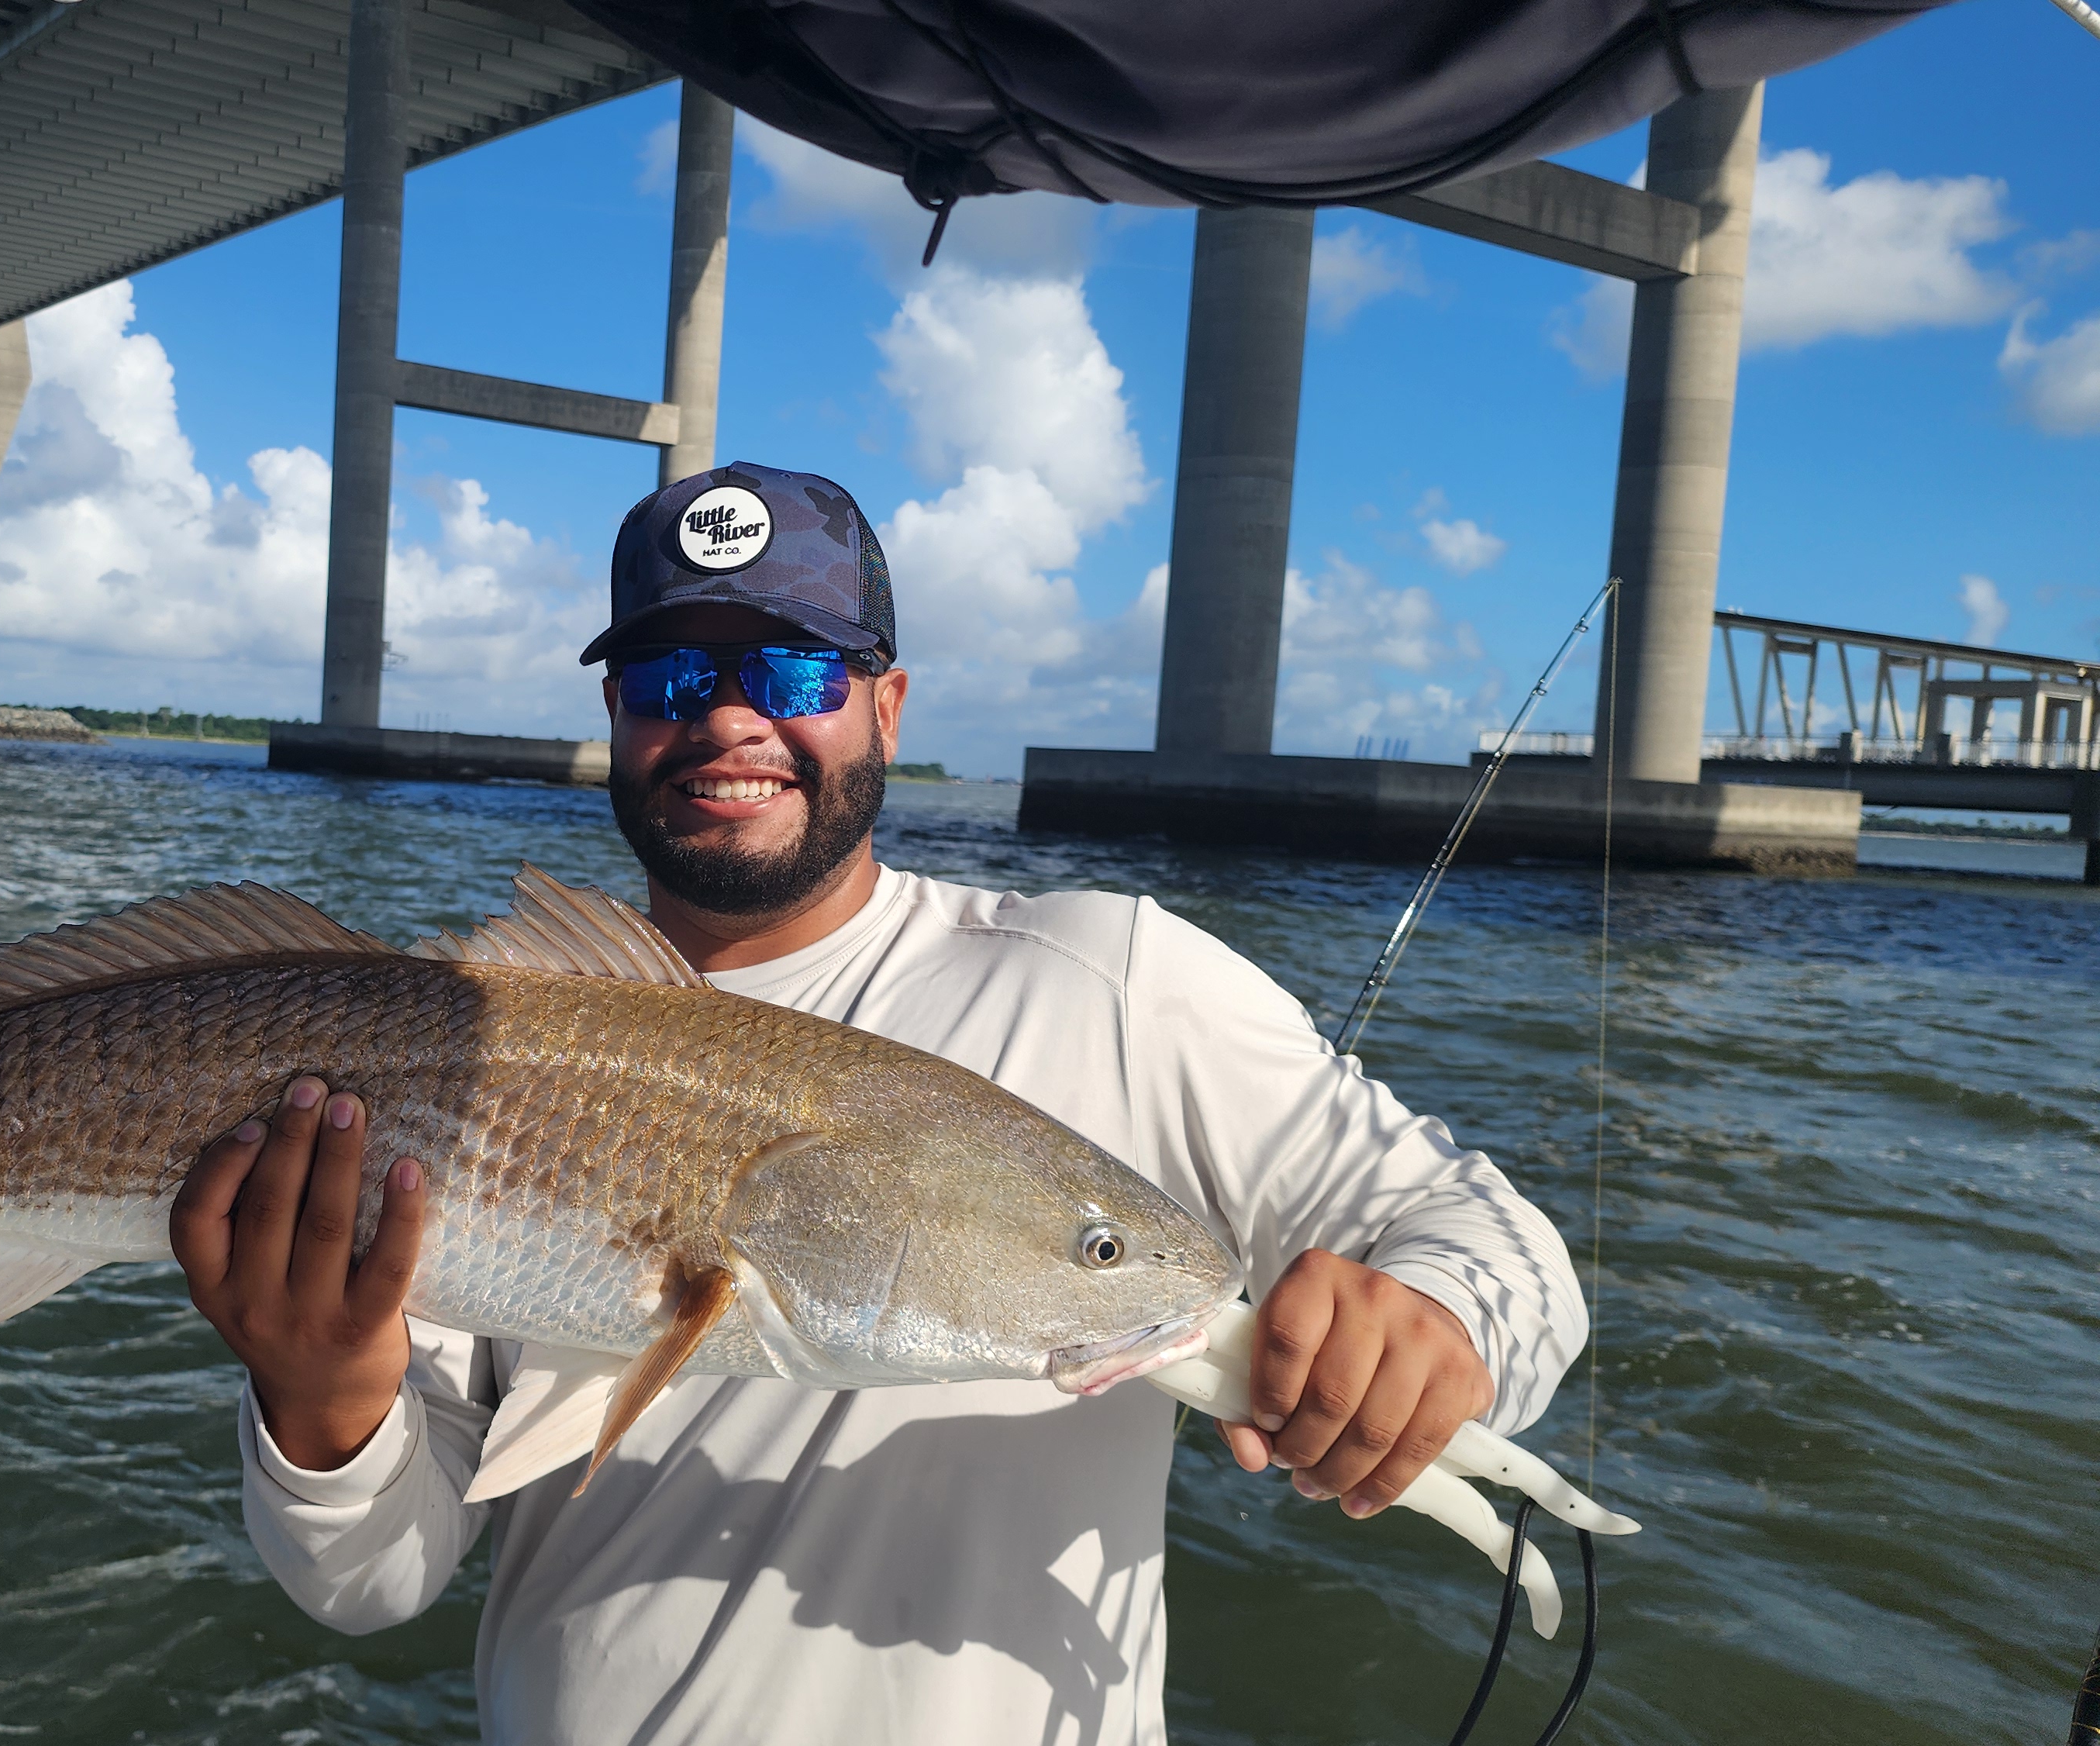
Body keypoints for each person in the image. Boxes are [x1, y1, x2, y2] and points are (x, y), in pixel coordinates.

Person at [169, 464, 1585, 1744]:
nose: (729, 718)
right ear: (616, 716)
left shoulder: (1112, 979)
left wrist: (1436, 1327)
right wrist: (322, 1397)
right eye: (668, 674)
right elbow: (374, 1583)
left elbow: (1503, 1246)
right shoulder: (468, 1050)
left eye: (795, 670)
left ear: (887, 706)